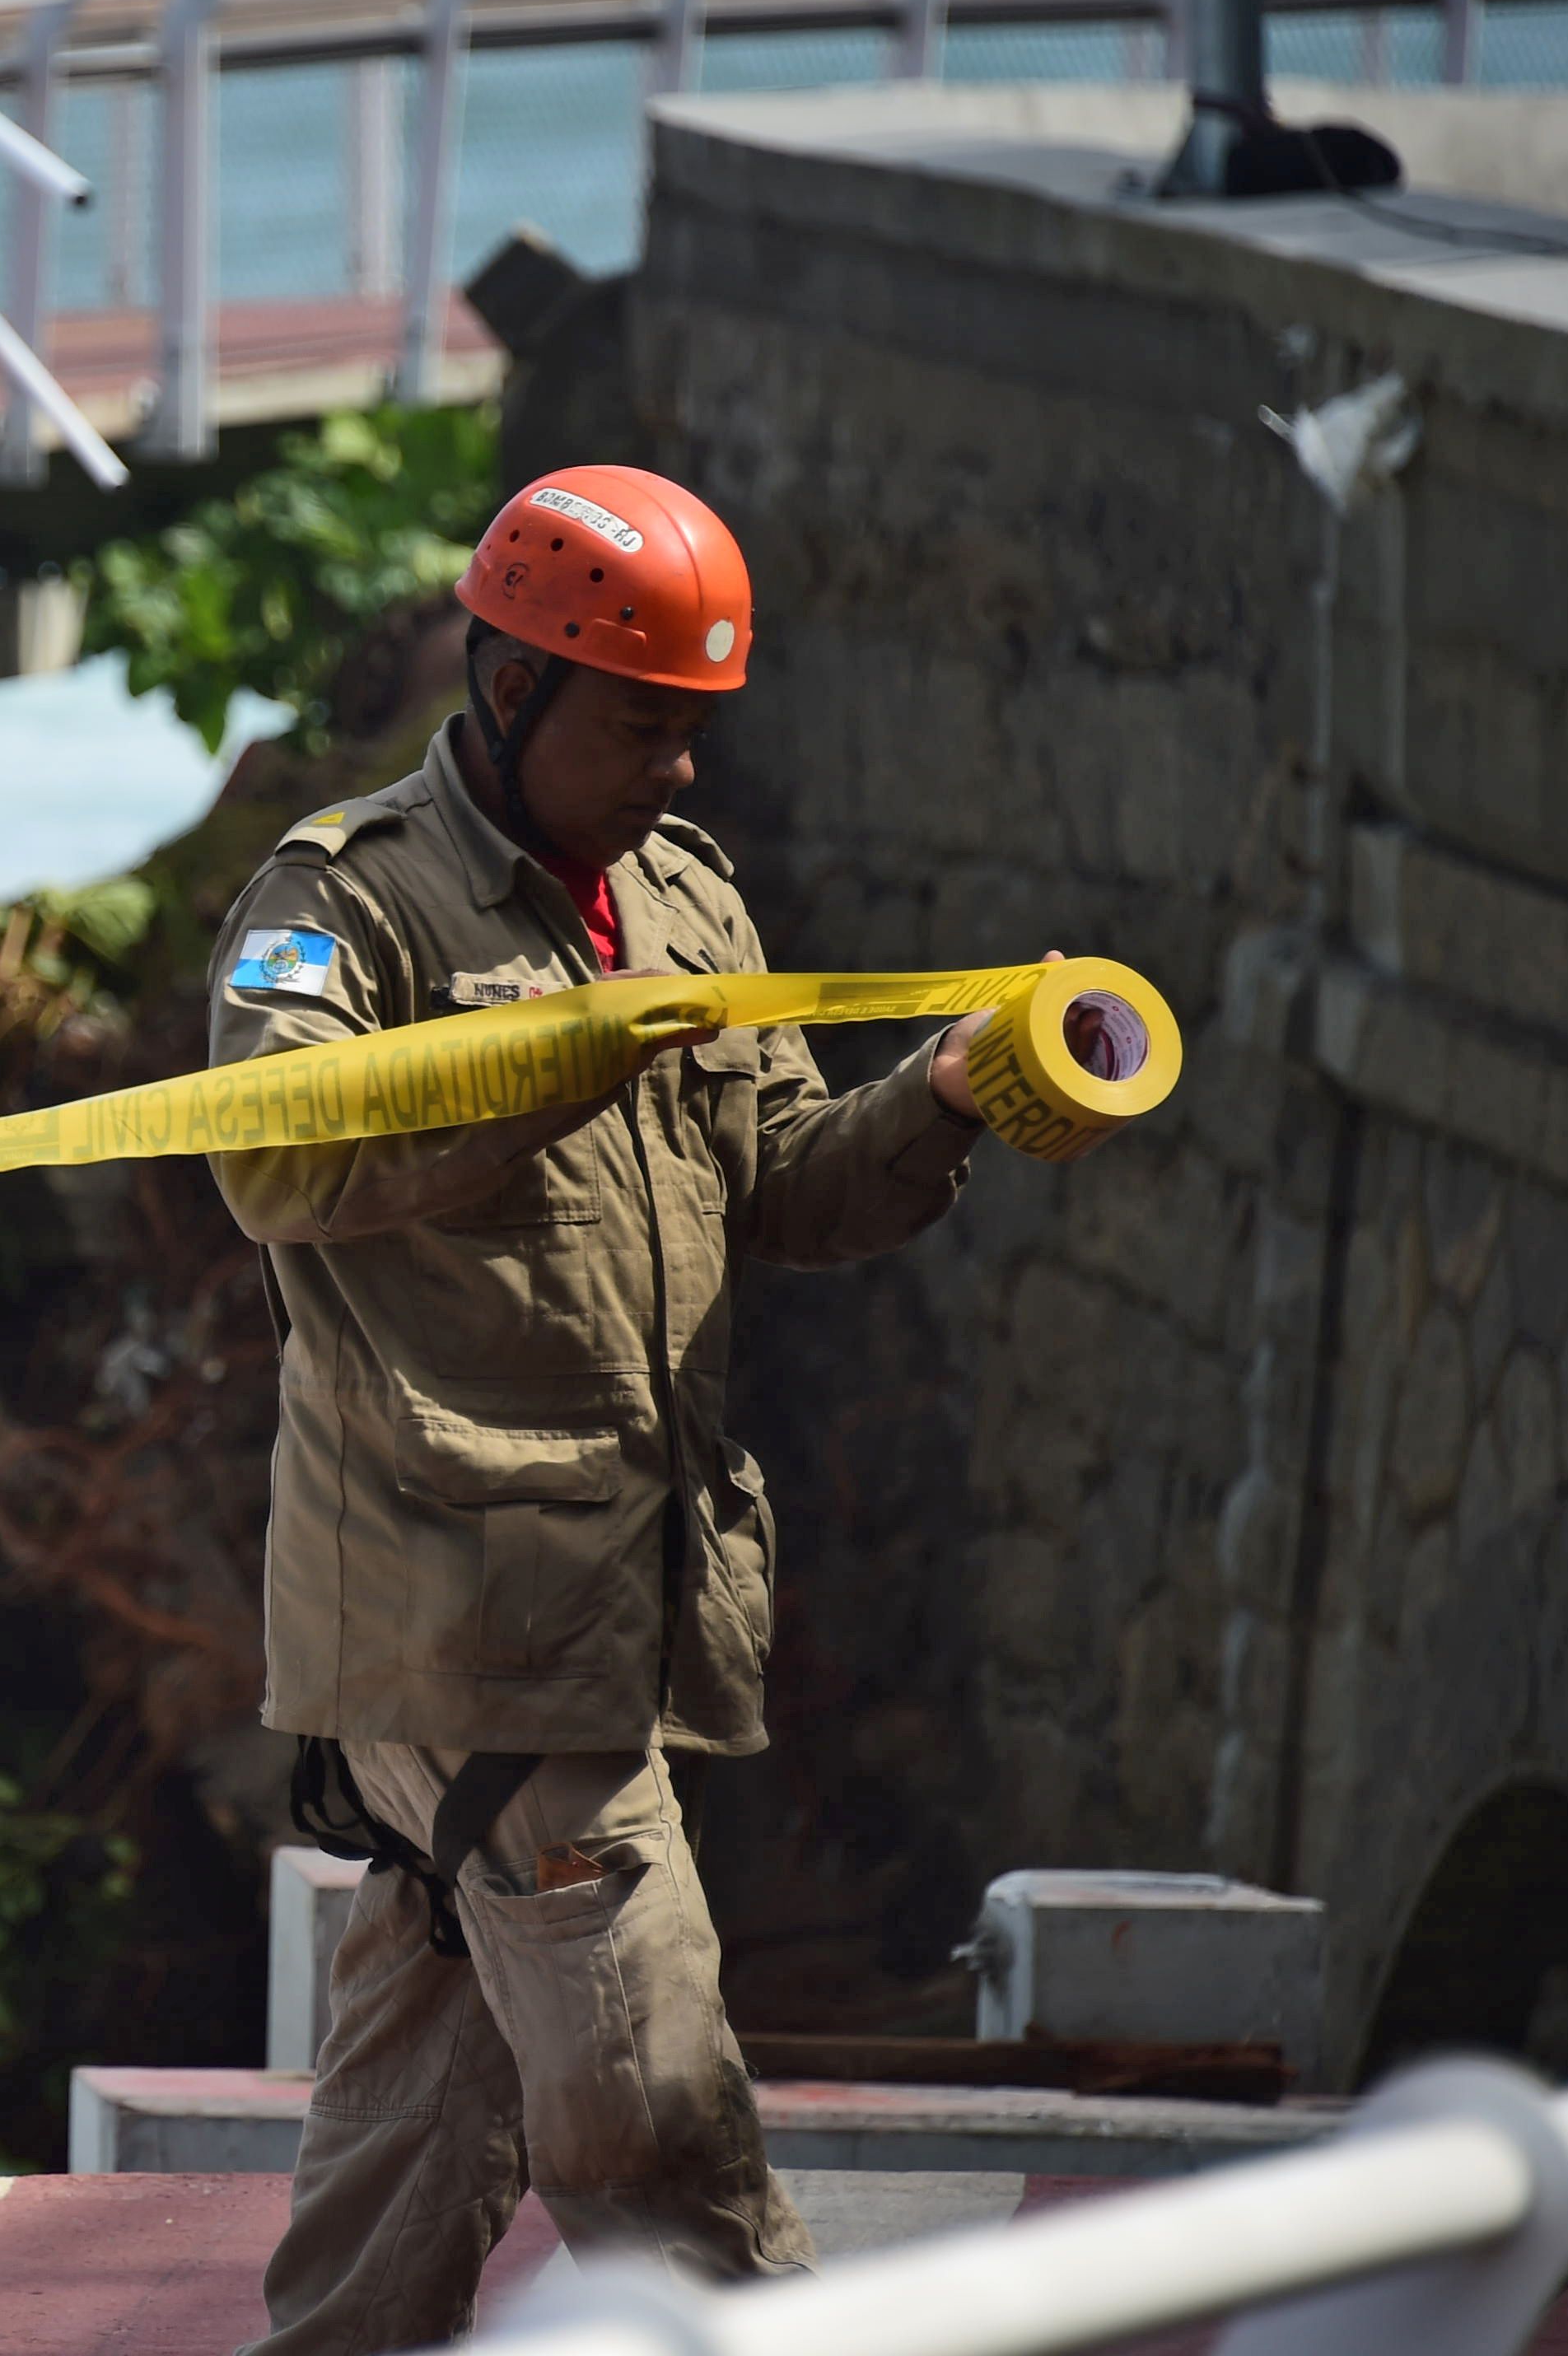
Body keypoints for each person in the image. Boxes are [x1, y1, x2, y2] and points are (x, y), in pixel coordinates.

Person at [211, 464, 1069, 2349]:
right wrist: (560, 1060)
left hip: (615, 1606)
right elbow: (270, 1159)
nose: (678, 769)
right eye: (639, 724)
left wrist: (946, 1099)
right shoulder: (343, 905)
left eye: (696, 728)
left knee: (416, 2107)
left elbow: (781, 1181)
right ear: (508, 688)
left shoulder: (687, 899)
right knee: (654, 2098)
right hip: (462, 1615)